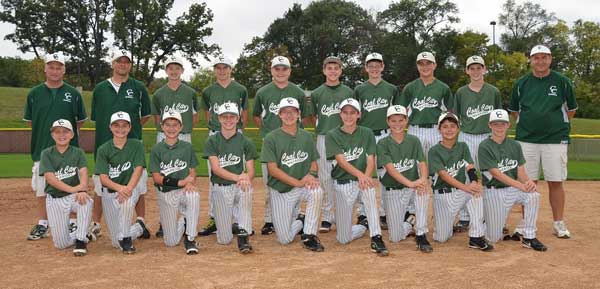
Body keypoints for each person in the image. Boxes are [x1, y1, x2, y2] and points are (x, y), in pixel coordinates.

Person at [508, 44, 577, 239]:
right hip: (527, 139)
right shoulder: (521, 83)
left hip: (555, 139)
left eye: (544, 57)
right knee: (528, 182)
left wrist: (553, 124)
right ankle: (526, 222)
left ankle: (558, 222)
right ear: (530, 60)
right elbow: (514, 111)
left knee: (555, 181)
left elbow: (571, 110)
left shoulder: (562, 82)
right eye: (536, 57)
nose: (540, 61)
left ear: (550, 59)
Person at [24, 53, 87, 240]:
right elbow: (31, 122)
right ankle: (43, 223)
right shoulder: (34, 93)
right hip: (42, 148)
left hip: (69, 151)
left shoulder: (73, 94)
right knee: (42, 188)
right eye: (51, 67)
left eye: (59, 67)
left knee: (71, 184)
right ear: (45, 69)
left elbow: (80, 122)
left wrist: (64, 138)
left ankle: (72, 221)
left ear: (64, 70)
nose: (54, 70)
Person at [90, 50, 152, 239]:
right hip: (105, 143)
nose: (123, 65)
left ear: (130, 65)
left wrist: (126, 133)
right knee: (100, 186)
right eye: (119, 61)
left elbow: (146, 116)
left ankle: (140, 220)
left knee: (138, 186)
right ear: (113, 64)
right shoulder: (100, 88)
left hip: (132, 145)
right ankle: (95, 223)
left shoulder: (139, 87)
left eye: (127, 62)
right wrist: (115, 135)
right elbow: (96, 118)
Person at [253, 56, 309, 235]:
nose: (280, 72)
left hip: (294, 143)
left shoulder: (298, 92)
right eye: (277, 68)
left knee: (294, 178)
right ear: (271, 71)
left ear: (289, 71)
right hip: (271, 142)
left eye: (284, 68)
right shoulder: (263, 92)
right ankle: (269, 220)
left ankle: (296, 216)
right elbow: (256, 118)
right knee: (270, 183)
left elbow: (305, 118)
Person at [325, 98, 388, 256]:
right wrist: (361, 175)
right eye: (345, 112)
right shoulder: (332, 135)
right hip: (343, 183)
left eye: (353, 112)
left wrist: (366, 177)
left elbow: (370, 158)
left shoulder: (366, 132)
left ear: (359, 115)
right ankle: (363, 226)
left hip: (362, 180)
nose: (349, 116)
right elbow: (341, 160)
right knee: (343, 238)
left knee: (369, 193)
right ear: (340, 114)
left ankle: (376, 237)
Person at [261, 97, 325, 252]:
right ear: (279, 115)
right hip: (281, 190)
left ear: (299, 114)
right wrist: (298, 182)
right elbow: (272, 169)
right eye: (285, 112)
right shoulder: (271, 138)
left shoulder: (306, 136)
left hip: (302, 187)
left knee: (317, 191)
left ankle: (309, 235)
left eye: (293, 111)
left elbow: (313, 163)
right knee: (284, 239)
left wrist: (311, 174)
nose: (289, 115)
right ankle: (301, 221)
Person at [479, 109, 547, 251]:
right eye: (495, 124)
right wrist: (520, 185)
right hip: (494, 191)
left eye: (502, 124)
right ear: (489, 125)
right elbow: (496, 174)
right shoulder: (484, 146)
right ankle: (484, 222)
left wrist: (528, 182)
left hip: (511, 189)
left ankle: (529, 237)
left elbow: (520, 170)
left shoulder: (515, 145)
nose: (499, 127)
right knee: (493, 238)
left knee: (533, 195)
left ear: (508, 125)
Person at [198, 56, 249, 236]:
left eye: (225, 67)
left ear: (230, 69)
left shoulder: (240, 89)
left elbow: (245, 112)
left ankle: (236, 219)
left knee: (238, 172)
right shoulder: (208, 90)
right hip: (215, 134)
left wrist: (239, 131)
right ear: (214, 70)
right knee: (215, 177)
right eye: (218, 68)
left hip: (237, 133)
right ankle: (214, 217)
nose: (221, 71)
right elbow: (206, 112)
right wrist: (214, 127)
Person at [450, 55, 502, 232]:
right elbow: (455, 118)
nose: (475, 71)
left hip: (487, 136)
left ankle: (489, 214)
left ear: (484, 69)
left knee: (489, 174)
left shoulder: (493, 91)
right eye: (472, 68)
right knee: (466, 175)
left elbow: (498, 117)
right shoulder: (461, 92)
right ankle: (465, 216)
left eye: (478, 67)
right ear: (467, 71)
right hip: (466, 136)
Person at [428, 112, 492, 251]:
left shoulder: (463, 146)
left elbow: (470, 166)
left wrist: (474, 182)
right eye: (445, 126)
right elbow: (444, 175)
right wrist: (466, 187)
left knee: (476, 193)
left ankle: (476, 237)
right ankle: (442, 221)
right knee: (442, 238)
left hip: (459, 193)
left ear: (458, 129)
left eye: (452, 126)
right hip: (442, 196)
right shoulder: (434, 150)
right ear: (439, 130)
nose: (449, 129)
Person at [151, 56, 199, 237]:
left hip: (184, 134)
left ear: (182, 70)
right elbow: (157, 117)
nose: (173, 71)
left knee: (187, 173)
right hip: (163, 134)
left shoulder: (190, 92)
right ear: (166, 71)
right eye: (170, 68)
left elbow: (194, 117)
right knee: (163, 174)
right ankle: (165, 220)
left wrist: (184, 130)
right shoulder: (159, 94)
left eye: (176, 68)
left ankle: (187, 216)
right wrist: (165, 131)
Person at [354, 52, 400, 230]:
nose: (374, 68)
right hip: (365, 135)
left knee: (386, 174)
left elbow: (398, 113)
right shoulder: (359, 89)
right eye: (370, 65)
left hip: (384, 135)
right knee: (363, 173)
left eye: (377, 65)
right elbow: (354, 114)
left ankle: (385, 213)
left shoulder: (391, 89)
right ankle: (363, 213)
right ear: (366, 68)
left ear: (382, 67)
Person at [376, 105, 432, 253]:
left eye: (401, 120)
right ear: (388, 122)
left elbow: (422, 162)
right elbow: (390, 168)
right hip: (393, 189)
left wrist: (424, 179)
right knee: (395, 237)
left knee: (423, 190)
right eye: (393, 121)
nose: (397, 124)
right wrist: (411, 183)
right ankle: (410, 221)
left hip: (412, 187)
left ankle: (421, 234)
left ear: (406, 120)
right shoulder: (382, 143)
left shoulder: (414, 140)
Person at [203, 103, 257, 254]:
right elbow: (216, 169)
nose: (228, 120)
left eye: (232, 116)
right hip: (221, 187)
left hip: (240, 186)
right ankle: (233, 226)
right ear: (218, 118)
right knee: (224, 239)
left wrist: (246, 177)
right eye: (224, 117)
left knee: (247, 189)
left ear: (238, 118)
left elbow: (251, 170)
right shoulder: (212, 141)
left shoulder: (246, 141)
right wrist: (239, 176)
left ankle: (244, 236)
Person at [307, 56, 353, 233]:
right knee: (325, 177)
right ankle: (326, 216)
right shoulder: (317, 93)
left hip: (344, 138)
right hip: (324, 138)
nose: (333, 71)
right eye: (329, 68)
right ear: (324, 70)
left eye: (336, 68)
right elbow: (313, 117)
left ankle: (343, 213)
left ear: (341, 71)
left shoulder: (348, 92)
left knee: (345, 175)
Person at [95, 112, 149, 254]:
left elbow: (138, 169)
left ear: (130, 127)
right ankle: (139, 227)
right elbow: (103, 178)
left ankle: (126, 239)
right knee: (115, 241)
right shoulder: (103, 149)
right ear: (110, 127)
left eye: (124, 125)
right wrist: (121, 189)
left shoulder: (136, 145)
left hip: (131, 189)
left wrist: (128, 189)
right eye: (116, 125)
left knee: (126, 202)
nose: (120, 128)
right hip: (110, 193)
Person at [149, 111, 200, 255]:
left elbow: (192, 171)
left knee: (193, 196)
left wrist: (190, 183)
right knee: (170, 242)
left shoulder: (187, 147)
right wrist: (182, 181)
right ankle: (184, 222)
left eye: (175, 125)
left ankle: (190, 238)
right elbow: (157, 178)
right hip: (166, 193)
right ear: (162, 126)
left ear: (181, 127)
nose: (171, 128)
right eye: (168, 125)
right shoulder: (156, 149)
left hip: (183, 191)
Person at [40, 119, 92, 256]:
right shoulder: (46, 153)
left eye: (65, 131)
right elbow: (50, 178)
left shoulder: (78, 152)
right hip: (55, 198)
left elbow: (83, 173)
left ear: (72, 135)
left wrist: (81, 189)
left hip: (72, 197)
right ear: (52, 135)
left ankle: (81, 240)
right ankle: (83, 233)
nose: (61, 135)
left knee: (86, 201)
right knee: (60, 244)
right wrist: (75, 189)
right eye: (57, 132)